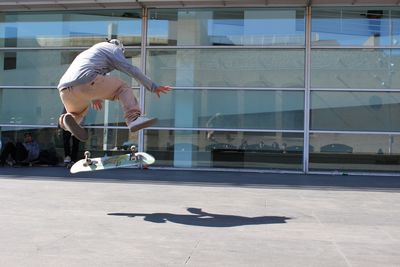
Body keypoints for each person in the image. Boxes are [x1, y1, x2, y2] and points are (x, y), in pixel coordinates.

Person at [58, 39, 171, 141]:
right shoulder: (113, 49)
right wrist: (153, 86)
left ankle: (64, 121)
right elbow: (130, 69)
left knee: (75, 114)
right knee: (122, 87)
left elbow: (85, 74)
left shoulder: (90, 52)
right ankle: (133, 119)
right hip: (87, 81)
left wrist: (93, 97)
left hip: (65, 89)